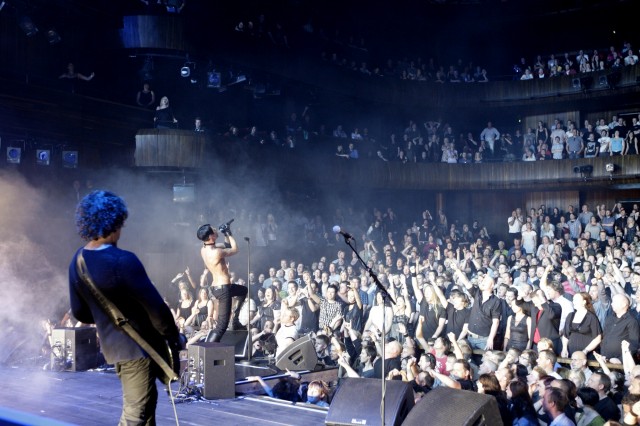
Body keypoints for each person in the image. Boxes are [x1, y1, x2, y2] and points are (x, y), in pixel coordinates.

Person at [69, 190, 181, 425]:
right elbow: (156, 308)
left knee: (146, 410)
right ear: (114, 222)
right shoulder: (123, 260)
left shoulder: (77, 261)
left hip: (114, 349)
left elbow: (80, 312)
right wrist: (172, 337)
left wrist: (107, 319)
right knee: (135, 416)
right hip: (139, 349)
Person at [197, 222, 247, 342]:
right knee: (221, 327)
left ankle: (235, 320)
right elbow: (235, 249)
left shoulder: (205, 248)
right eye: (213, 230)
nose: (215, 229)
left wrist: (225, 233)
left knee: (243, 290)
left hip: (218, 287)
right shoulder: (216, 252)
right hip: (223, 288)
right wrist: (229, 233)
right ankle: (208, 350)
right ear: (211, 237)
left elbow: (226, 244)